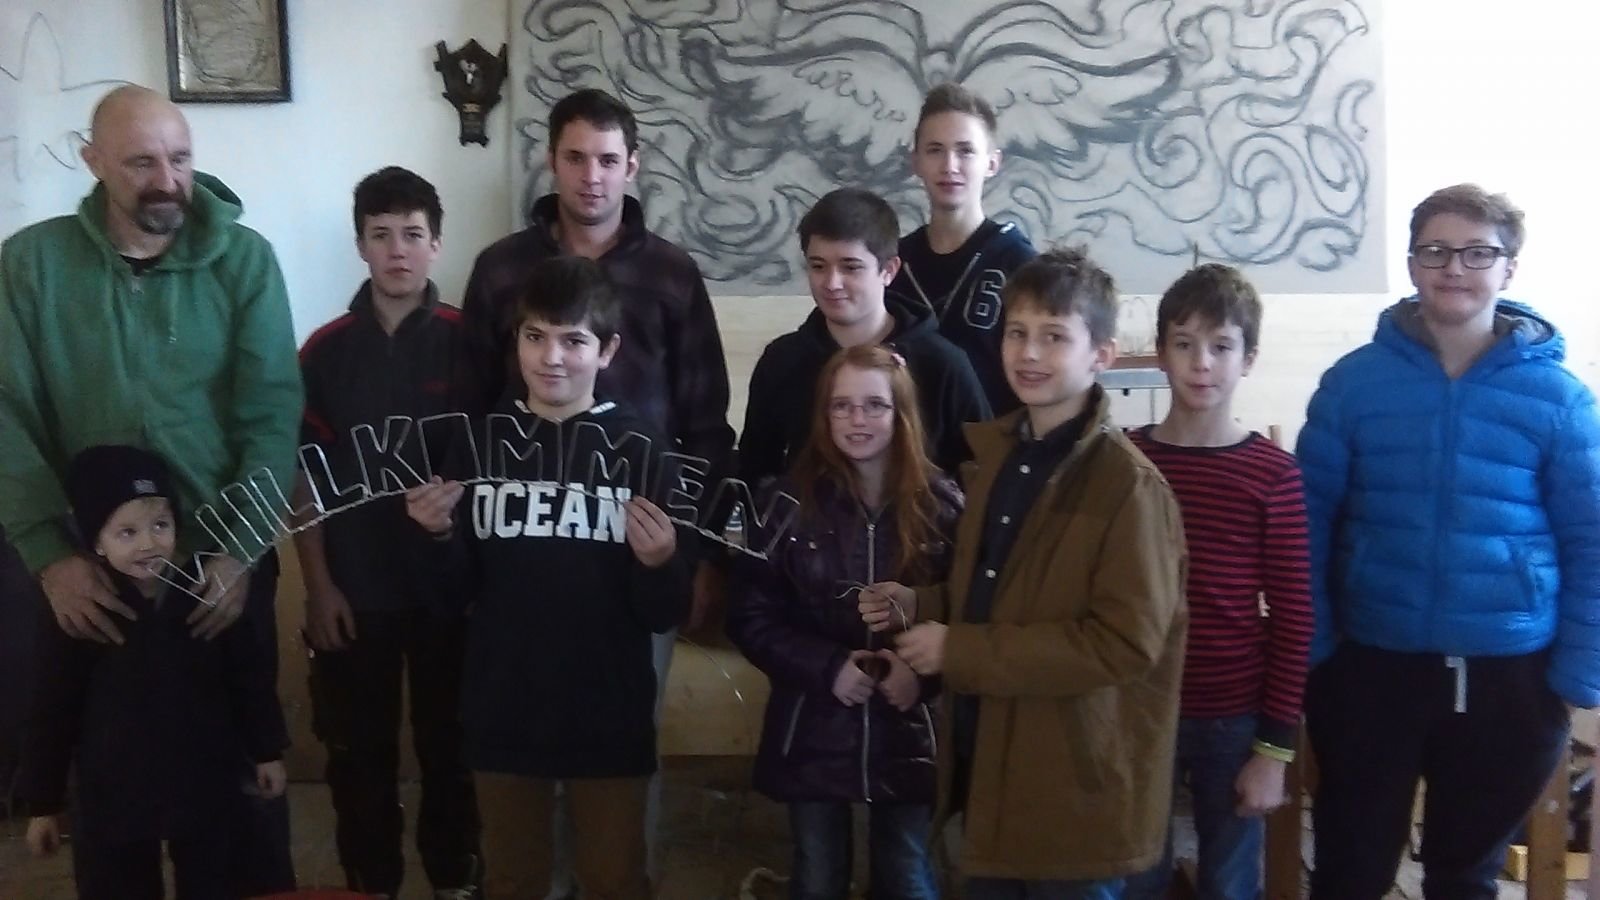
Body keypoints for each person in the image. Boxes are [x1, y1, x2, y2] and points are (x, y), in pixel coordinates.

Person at [0, 83, 301, 894]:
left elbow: (271, 414)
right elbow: (7, 412)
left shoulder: (245, 262)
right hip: (91, 575)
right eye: (141, 162)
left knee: (239, 810)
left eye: (181, 158)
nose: (167, 180)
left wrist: (240, 551)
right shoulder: (31, 266)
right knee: (113, 804)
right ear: (94, 161)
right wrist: (49, 555)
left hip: (217, 574)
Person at [1296, 184, 1600, 899]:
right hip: (1370, 668)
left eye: (1477, 253)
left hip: (1510, 680)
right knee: (1349, 871)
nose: (1454, 267)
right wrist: (1315, 649)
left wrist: (1577, 677)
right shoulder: (1353, 384)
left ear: (1509, 268)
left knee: (1465, 877)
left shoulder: (1560, 399)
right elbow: (1306, 523)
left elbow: (1590, 540)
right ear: (1412, 264)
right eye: (1434, 251)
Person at [861, 247, 1188, 899]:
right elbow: (998, 589)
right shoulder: (999, 459)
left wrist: (958, 650)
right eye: (1017, 332)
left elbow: (1123, 643)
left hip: (1073, 788)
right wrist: (924, 603)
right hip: (993, 768)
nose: (1029, 353)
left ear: (1101, 355)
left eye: (1054, 336)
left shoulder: (1127, 487)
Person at [406, 255, 690, 900]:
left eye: (574, 340)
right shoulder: (478, 445)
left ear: (607, 350)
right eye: (535, 336)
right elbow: (449, 596)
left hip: (607, 714)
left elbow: (663, 610)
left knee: (615, 879)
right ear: (516, 341)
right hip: (504, 709)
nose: (552, 357)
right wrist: (436, 537)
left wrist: (658, 563)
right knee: (512, 879)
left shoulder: (641, 450)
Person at [294, 166, 481, 898]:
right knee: (358, 756)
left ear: (437, 244)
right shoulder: (324, 351)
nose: (397, 250)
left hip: (450, 595)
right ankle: (371, 883)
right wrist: (318, 586)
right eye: (381, 235)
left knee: (452, 752)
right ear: (360, 246)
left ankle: (454, 879)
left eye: (412, 234)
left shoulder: (474, 343)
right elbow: (303, 477)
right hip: (356, 591)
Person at [728, 344, 963, 900]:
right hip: (813, 723)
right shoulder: (785, 504)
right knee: (817, 873)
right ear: (823, 414)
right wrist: (827, 666)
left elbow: (971, 614)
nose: (857, 420)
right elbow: (750, 615)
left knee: (907, 873)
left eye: (874, 405)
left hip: (910, 729)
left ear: (902, 413)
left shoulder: (944, 507)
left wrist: (922, 677)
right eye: (842, 406)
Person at [17, 445, 288, 900]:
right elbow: (52, 707)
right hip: (112, 796)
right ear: (96, 541)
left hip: (204, 782)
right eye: (127, 532)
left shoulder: (206, 590)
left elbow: (248, 677)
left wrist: (267, 752)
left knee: (214, 881)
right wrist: (42, 803)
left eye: (160, 526)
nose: (148, 543)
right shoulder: (83, 610)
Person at [1123, 264, 1312, 900]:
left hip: (1233, 715)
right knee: (1135, 876)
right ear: (1161, 353)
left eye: (1221, 345)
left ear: (1248, 359)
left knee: (1229, 883)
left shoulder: (1272, 474)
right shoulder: (1125, 460)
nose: (1201, 363)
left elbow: (1294, 617)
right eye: (1184, 343)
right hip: (1140, 708)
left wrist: (1273, 751)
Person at [738, 187, 991, 489]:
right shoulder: (782, 361)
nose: (832, 283)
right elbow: (754, 473)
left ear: (889, 270)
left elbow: (983, 473)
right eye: (818, 266)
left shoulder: (943, 363)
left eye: (850, 267)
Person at [890, 83, 1037, 414]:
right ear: (916, 161)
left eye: (965, 150)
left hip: (993, 440)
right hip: (909, 441)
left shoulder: (1020, 263)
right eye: (935, 150)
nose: (949, 165)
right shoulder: (893, 263)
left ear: (992, 163)